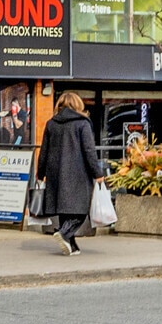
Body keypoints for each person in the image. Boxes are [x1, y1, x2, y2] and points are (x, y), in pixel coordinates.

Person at [38, 90, 108, 255]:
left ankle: (72, 246)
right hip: (78, 173)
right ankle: (64, 233)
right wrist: (97, 173)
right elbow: (89, 151)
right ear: (78, 105)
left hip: (56, 174)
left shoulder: (51, 123)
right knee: (81, 211)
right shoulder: (82, 123)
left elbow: (44, 151)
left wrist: (40, 173)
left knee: (65, 209)